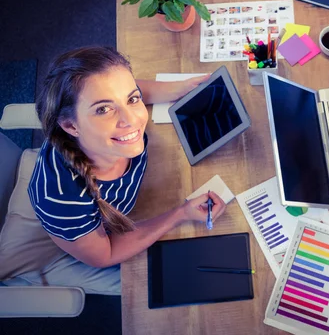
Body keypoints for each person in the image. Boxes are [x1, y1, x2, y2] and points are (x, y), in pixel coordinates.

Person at [24, 46, 226, 294]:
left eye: (132, 99)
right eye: (103, 109)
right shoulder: (64, 201)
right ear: (70, 125)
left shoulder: (113, 137)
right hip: (100, 238)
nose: (131, 120)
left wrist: (179, 89)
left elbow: (125, 89)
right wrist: (180, 214)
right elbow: (104, 254)